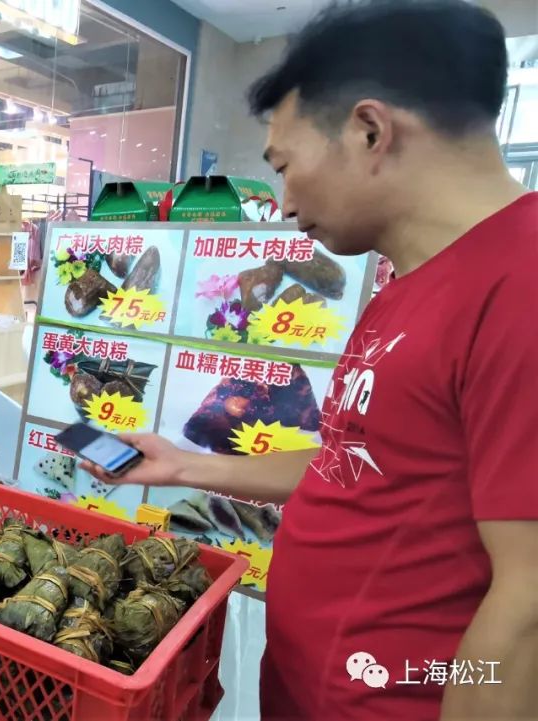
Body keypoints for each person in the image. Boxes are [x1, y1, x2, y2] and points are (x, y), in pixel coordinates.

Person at [83, 2, 537, 719]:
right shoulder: (407, 285)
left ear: (370, 131)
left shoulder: (521, 286)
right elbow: (357, 462)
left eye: (286, 167)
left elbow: (529, 603)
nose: (286, 203)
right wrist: (184, 465)